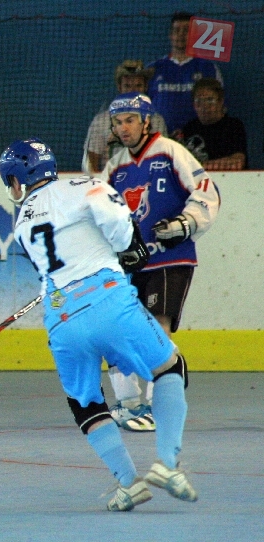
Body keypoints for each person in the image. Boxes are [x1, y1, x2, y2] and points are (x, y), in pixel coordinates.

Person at [0, 137, 197, 511]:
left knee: (85, 403)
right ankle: (168, 464)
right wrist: (128, 245)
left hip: (60, 317)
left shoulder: (22, 223)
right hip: (108, 299)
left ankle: (128, 483)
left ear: (17, 179)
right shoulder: (83, 185)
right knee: (170, 367)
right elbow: (113, 215)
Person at [99, 93, 219, 433]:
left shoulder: (170, 152)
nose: (124, 128)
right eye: (118, 122)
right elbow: (99, 214)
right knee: (115, 330)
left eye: (130, 120)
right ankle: (128, 404)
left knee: (156, 327)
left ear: (146, 122)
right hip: (130, 265)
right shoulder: (114, 167)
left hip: (170, 257)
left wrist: (185, 223)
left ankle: (159, 406)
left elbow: (207, 192)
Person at [82, 59, 168, 175]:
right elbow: (91, 161)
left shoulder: (156, 121)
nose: (132, 91)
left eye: (138, 85)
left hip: (145, 181)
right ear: (119, 87)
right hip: (111, 181)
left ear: (145, 87)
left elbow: (162, 157)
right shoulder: (102, 121)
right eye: (127, 86)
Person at [147, 12, 223, 137]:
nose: (181, 35)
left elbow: (220, 107)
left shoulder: (208, 68)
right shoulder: (153, 69)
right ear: (170, 35)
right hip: (160, 138)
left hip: (199, 138)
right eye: (177, 30)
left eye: (186, 30)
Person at [179, 78, 247, 170]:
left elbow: (238, 162)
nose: (204, 106)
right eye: (199, 101)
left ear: (220, 101)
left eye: (210, 100)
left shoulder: (233, 126)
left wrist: (203, 166)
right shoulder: (190, 128)